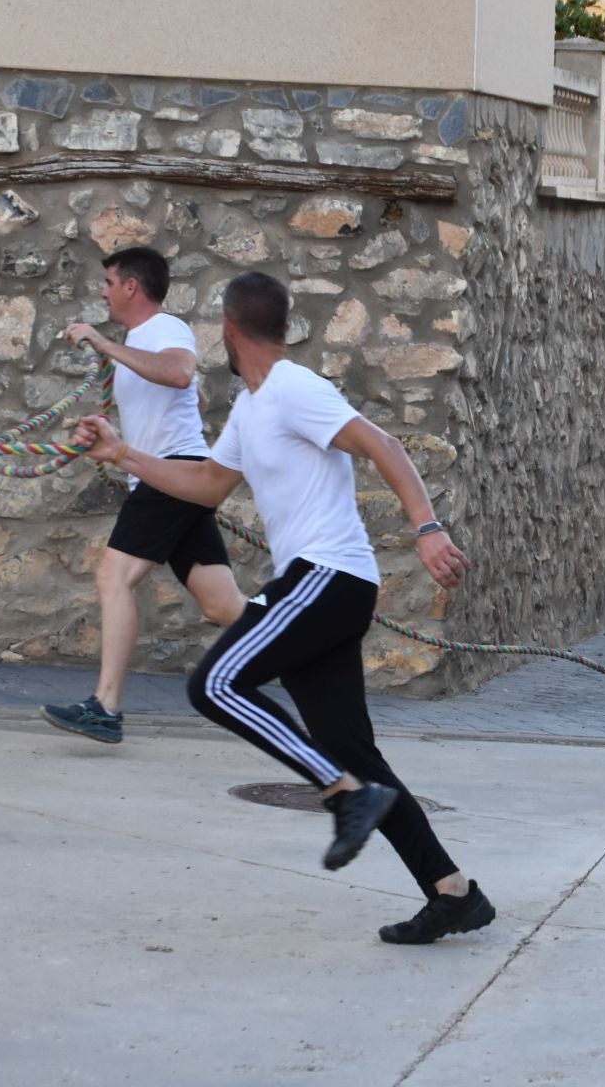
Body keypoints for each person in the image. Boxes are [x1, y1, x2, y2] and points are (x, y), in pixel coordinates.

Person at [71, 272, 494, 945]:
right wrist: (122, 452)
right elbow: (206, 484)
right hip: (319, 584)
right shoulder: (251, 406)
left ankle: (340, 791)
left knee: (214, 684)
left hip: (329, 577)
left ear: (231, 331)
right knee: (358, 754)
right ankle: (453, 892)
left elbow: (381, 445)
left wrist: (428, 527)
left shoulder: (297, 389)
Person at [40, 248, 247, 745]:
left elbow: (178, 373)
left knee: (112, 575)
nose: (102, 290)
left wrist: (100, 342)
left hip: (171, 473)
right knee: (221, 606)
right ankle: (307, 637)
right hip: (177, 474)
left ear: (132, 286)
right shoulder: (142, 341)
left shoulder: (163, 328)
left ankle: (105, 707)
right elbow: (189, 394)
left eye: (108, 281)